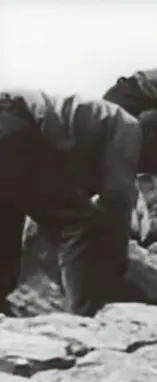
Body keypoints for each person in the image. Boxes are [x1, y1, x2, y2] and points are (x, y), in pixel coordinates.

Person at [0, 89, 142, 316]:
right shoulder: (128, 126)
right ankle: (81, 321)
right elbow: (117, 200)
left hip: (12, 124)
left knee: (6, 239)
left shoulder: (87, 131)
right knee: (78, 225)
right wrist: (117, 264)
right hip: (10, 123)